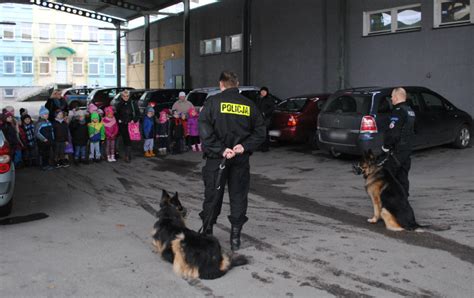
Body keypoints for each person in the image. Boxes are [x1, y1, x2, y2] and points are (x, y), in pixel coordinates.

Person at [198, 71, 266, 251]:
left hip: (217, 159)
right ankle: (235, 238)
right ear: (237, 84)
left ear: (221, 84)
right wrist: (244, 146)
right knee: (238, 196)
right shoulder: (249, 105)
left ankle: (207, 234)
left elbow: (204, 130)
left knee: (213, 195)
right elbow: (260, 132)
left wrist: (221, 149)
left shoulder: (212, 103)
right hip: (240, 159)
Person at [382, 87, 415, 197]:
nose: (391, 99)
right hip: (407, 151)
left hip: (397, 151)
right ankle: (403, 202)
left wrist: (386, 146)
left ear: (396, 97)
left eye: (392, 97)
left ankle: (390, 207)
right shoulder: (410, 111)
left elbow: (393, 133)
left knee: (389, 177)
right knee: (402, 177)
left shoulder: (398, 112)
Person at [116, 90, 140, 162]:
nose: (126, 97)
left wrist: (134, 120)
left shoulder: (133, 103)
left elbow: (138, 113)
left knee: (129, 140)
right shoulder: (119, 104)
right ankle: (125, 154)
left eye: (127, 96)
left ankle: (127, 156)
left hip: (131, 125)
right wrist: (119, 119)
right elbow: (117, 114)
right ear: (122, 96)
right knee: (125, 140)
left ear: (129, 96)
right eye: (124, 96)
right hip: (123, 125)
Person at [256, 86, 276, 152]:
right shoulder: (258, 98)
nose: (263, 92)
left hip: (266, 119)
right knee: (260, 132)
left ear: (267, 92)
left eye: (264, 91)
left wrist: (265, 113)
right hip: (259, 118)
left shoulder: (269, 99)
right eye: (262, 91)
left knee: (265, 133)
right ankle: (260, 146)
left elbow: (272, 108)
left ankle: (265, 147)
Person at [35, 106, 54, 171]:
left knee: (47, 153)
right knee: (43, 154)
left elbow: (52, 131)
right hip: (42, 142)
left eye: (47, 114)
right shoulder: (39, 123)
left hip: (49, 141)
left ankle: (47, 164)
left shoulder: (48, 122)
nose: (47, 115)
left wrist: (52, 138)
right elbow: (37, 133)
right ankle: (43, 165)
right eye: (45, 114)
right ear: (41, 115)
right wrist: (43, 139)